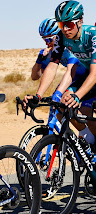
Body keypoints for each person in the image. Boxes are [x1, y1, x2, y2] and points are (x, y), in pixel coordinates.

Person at [24, 1, 96, 145]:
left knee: (80, 104)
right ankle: (89, 142)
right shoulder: (62, 38)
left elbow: (94, 73)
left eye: (68, 25)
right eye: (61, 25)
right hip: (87, 76)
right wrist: (38, 96)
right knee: (63, 105)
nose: (64, 30)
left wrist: (77, 96)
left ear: (80, 21)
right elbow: (52, 65)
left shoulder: (92, 35)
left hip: (92, 74)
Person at [31, 17, 87, 127]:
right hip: (77, 78)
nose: (47, 43)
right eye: (44, 40)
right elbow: (35, 76)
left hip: (87, 76)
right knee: (58, 107)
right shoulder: (52, 52)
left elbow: (70, 71)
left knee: (81, 110)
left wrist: (58, 93)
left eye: (49, 39)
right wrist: (39, 60)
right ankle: (68, 139)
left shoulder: (70, 47)